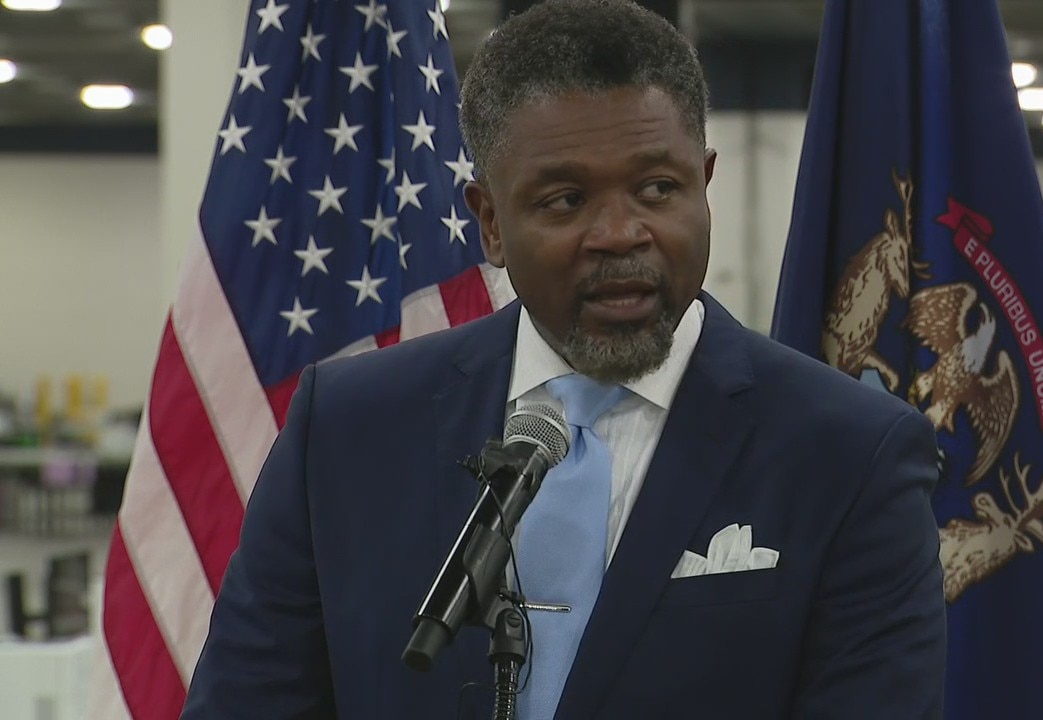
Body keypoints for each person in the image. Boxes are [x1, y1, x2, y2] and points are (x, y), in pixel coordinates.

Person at [180, 1, 946, 718]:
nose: (620, 233)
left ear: (704, 185)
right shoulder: (346, 430)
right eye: (565, 201)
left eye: (657, 188)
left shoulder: (851, 453)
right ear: (489, 221)